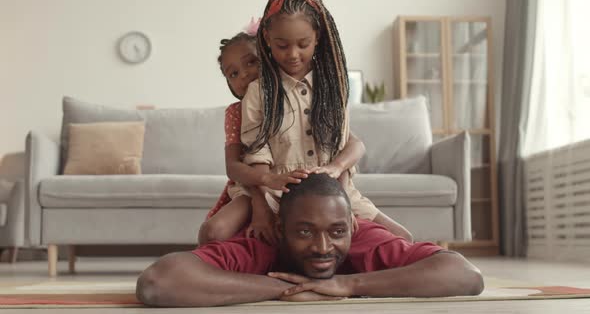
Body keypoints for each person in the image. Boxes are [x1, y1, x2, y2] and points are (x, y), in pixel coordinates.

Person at [136, 173, 484, 307]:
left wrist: (348, 284)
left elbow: (466, 275)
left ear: (352, 224)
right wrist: (287, 288)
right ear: (280, 229)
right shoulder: (263, 242)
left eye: (336, 232)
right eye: (303, 232)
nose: (321, 247)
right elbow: (158, 283)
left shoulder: (365, 238)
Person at [241, 0, 412, 240]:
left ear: (318, 37)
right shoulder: (258, 92)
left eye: (303, 44)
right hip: (279, 196)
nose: (293, 54)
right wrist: (263, 204)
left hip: (337, 194)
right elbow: (257, 156)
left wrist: (342, 205)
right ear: (266, 38)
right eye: (282, 45)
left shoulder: (334, 87)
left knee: (403, 238)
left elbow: (341, 150)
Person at [198, 21, 367, 244]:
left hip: (297, 184)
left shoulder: (297, 97)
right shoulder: (236, 113)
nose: (245, 74)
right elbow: (237, 166)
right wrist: (259, 203)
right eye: (233, 74)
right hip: (253, 187)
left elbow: (351, 143)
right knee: (213, 231)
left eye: (251, 62)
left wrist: (338, 181)